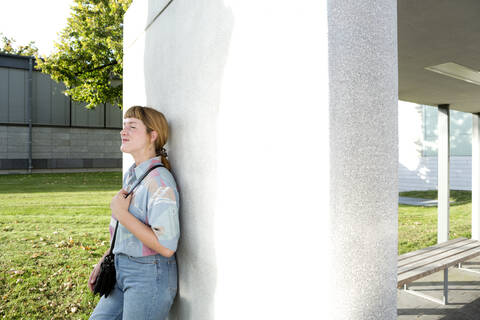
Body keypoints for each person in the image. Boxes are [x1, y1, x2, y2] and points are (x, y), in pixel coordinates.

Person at [88, 106, 180, 320]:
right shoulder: (133, 175)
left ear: (152, 135)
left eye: (132, 126)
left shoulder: (159, 181)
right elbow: (126, 233)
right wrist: (106, 258)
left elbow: (166, 247)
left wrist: (121, 213)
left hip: (149, 276)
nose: (123, 131)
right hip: (121, 268)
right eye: (123, 126)